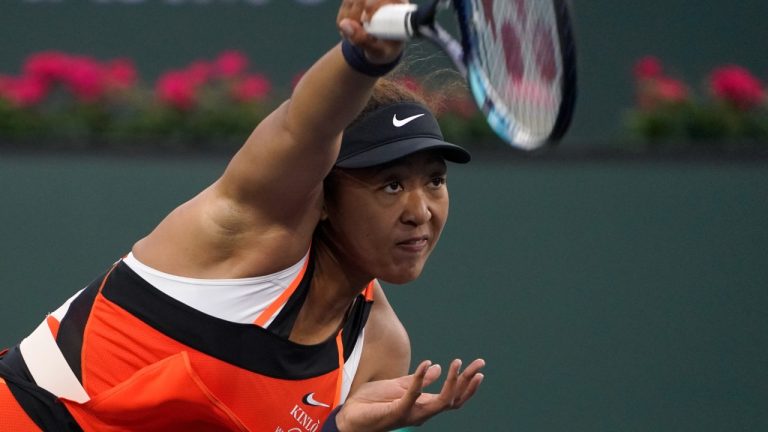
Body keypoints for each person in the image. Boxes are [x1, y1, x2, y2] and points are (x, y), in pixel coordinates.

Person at [0, 0, 485, 430]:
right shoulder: (250, 233)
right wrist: (363, 59)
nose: (420, 211)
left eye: (435, 181)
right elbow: (302, 129)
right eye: (391, 185)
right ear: (323, 196)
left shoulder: (380, 350)